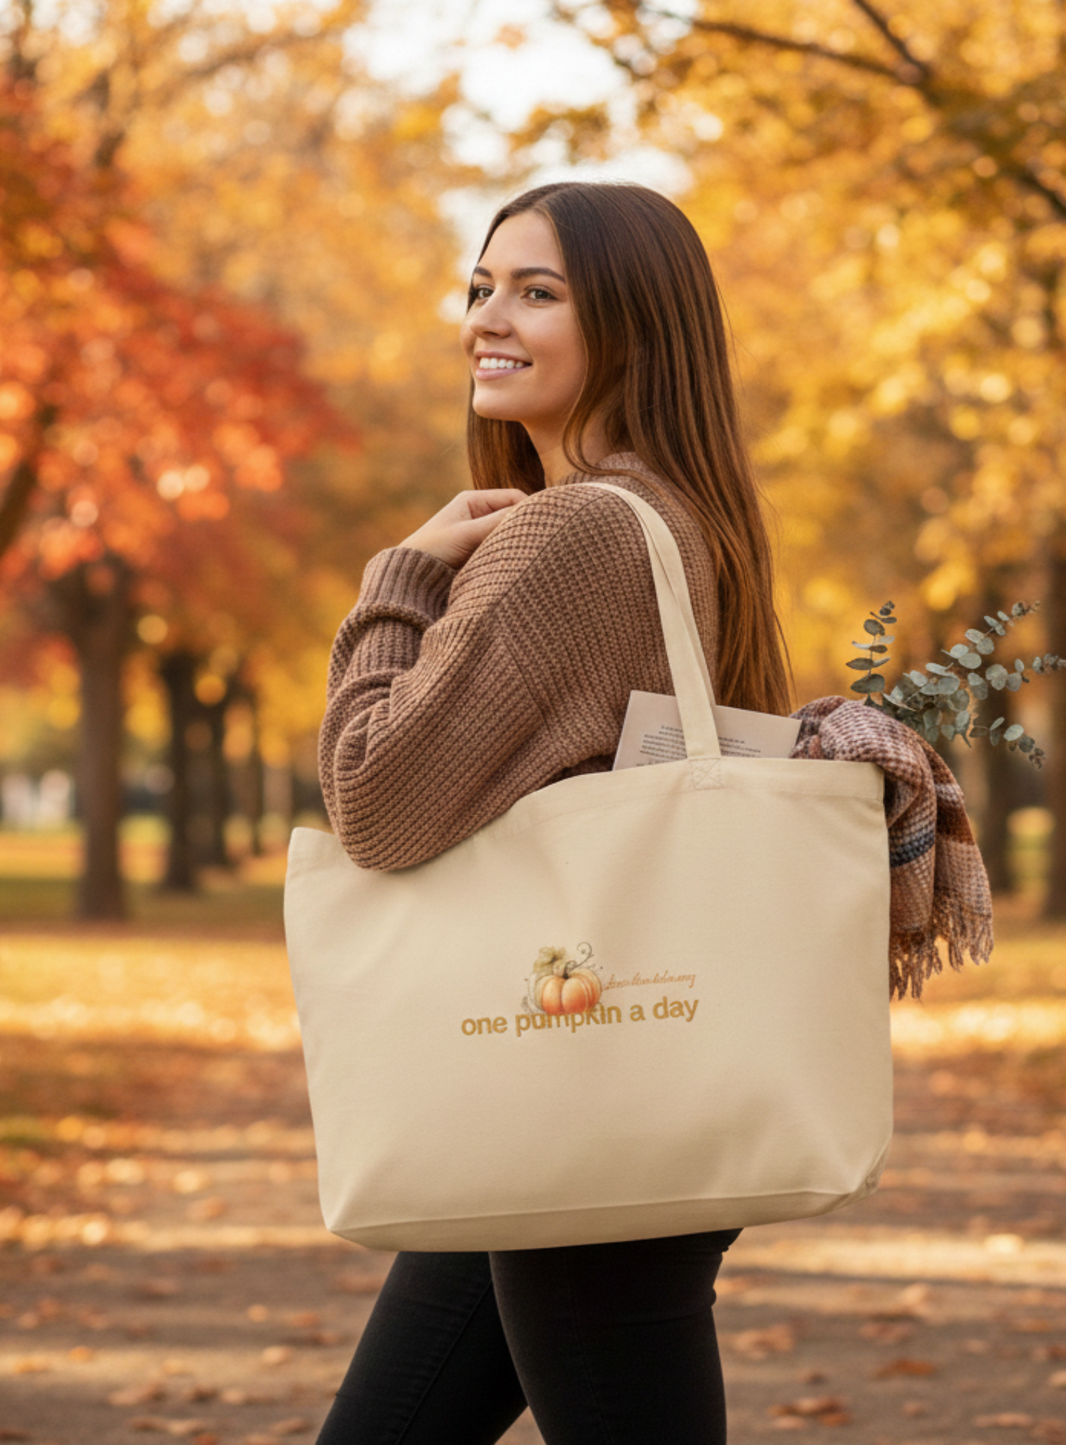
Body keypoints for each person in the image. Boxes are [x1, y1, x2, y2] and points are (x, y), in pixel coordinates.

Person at [312, 181, 792, 1445]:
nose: (484, 316)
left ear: (631, 325)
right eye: (478, 287)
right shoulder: (685, 517)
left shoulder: (574, 531)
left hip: (574, 1060)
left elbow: (374, 798)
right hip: (592, 1056)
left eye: (536, 291)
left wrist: (398, 579)